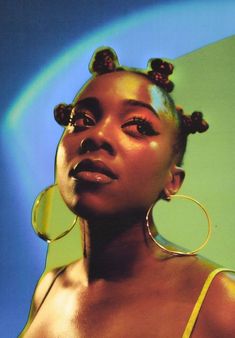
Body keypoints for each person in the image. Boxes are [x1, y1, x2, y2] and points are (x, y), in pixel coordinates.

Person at [20, 47, 235, 337]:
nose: (96, 135)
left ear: (172, 180)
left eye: (137, 126)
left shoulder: (221, 302)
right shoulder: (49, 287)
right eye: (81, 120)